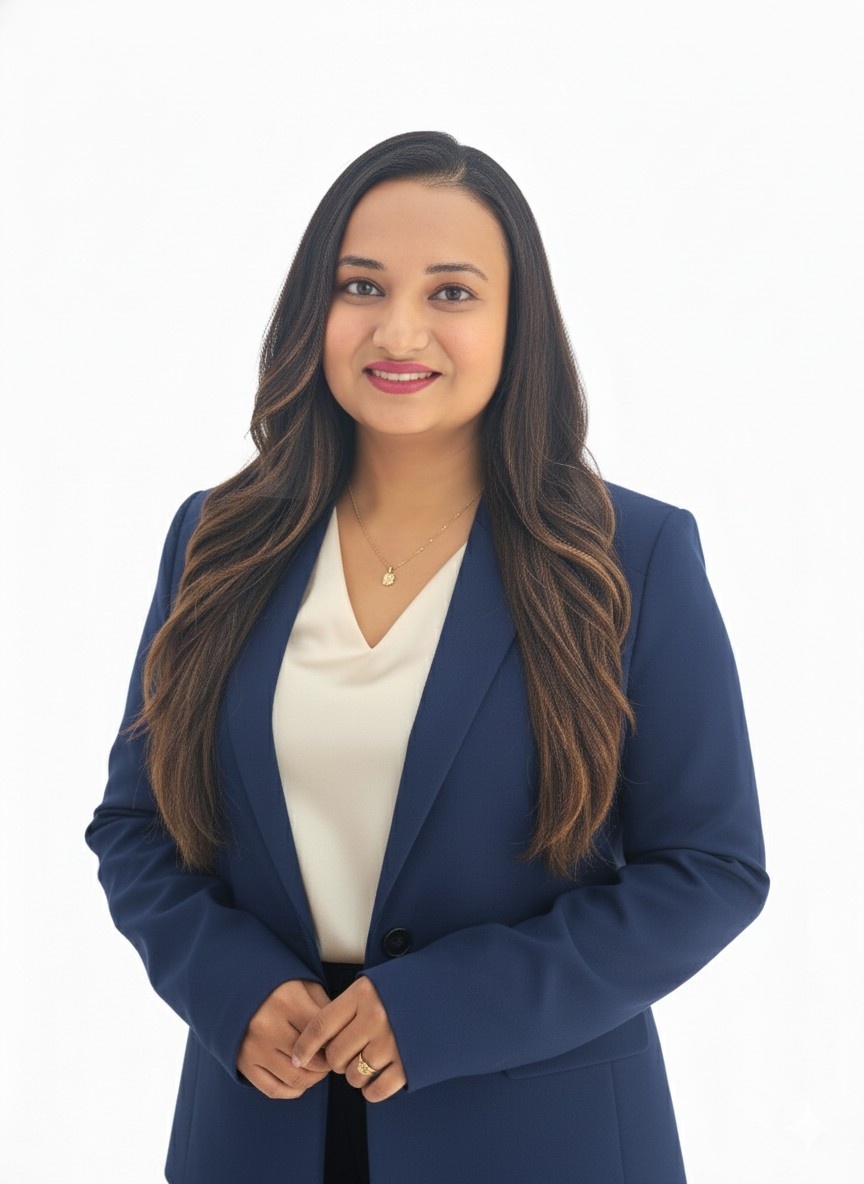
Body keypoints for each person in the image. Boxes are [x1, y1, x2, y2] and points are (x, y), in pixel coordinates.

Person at [85, 130, 769, 1184]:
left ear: (516, 323)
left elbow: (710, 868)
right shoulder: (217, 538)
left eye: (452, 292)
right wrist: (230, 987)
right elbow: (138, 827)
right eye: (361, 285)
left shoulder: (630, 555)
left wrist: (442, 1009)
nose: (398, 329)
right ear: (314, 309)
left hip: (542, 1141)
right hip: (259, 1130)